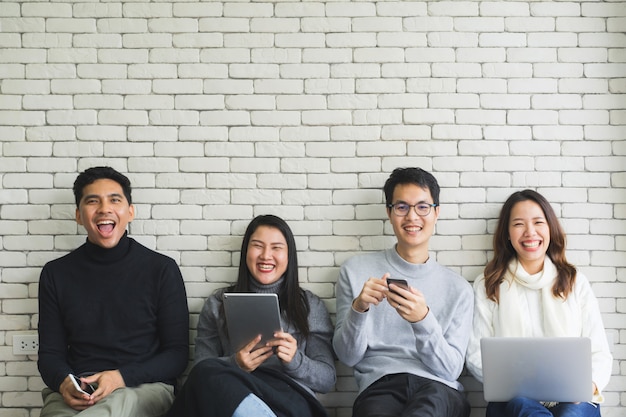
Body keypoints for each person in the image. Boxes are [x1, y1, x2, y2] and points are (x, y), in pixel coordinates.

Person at [37, 166, 190, 417]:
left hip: (143, 388)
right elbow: (50, 355)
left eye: (114, 200)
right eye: (93, 201)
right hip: (81, 392)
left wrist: (120, 377)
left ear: (130, 211)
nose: (104, 209)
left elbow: (176, 355)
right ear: (78, 215)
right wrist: (64, 382)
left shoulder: (161, 269)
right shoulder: (56, 274)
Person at [333, 167, 473, 417]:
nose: (412, 217)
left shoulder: (459, 289)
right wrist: (359, 309)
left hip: (439, 388)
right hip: (379, 386)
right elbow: (348, 357)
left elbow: (450, 370)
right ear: (389, 212)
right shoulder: (355, 271)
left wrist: (423, 320)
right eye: (401, 207)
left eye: (422, 207)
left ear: (436, 212)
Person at [166, 214, 336, 417]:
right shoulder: (218, 303)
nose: (266, 255)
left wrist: (295, 360)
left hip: (288, 399)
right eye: (257, 246)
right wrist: (235, 364)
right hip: (233, 394)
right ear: (246, 251)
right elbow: (202, 372)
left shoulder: (309, 305)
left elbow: (327, 380)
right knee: (204, 375)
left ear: (289, 255)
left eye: (276, 248)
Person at [466, 189, 613, 417]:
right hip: (513, 399)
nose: (530, 232)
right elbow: (476, 353)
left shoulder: (575, 282)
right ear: (507, 233)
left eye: (538, 222)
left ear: (550, 229)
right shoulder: (489, 284)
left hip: (573, 399)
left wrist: (589, 386)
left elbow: (600, 352)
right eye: (518, 224)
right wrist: (511, 384)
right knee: (523, 407)